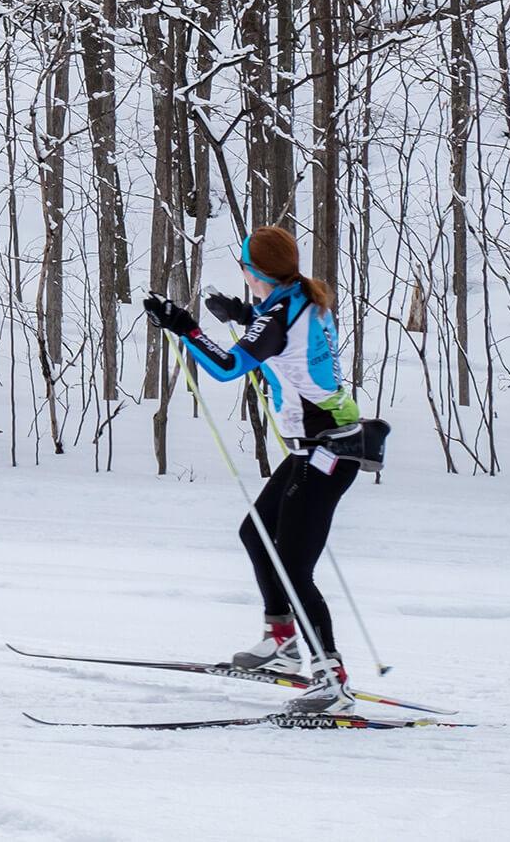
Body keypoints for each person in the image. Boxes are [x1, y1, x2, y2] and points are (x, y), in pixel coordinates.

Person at [142, 225, 367, 715]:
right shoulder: (302, 298)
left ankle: (331, 679)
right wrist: (243, 314)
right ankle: (283, 645)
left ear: (253, 272)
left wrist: (183, 325)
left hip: (328, 452)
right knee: (255, 533)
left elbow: (228, 367)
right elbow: (279, 336)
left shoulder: (281, 313)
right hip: (320, 447)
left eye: (244, 268)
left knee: (293, 568)